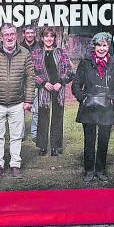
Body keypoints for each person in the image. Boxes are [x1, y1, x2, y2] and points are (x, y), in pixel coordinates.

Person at [0, 24, 33, 180]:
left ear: (16, 35)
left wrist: (28, 99)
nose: (9, 37)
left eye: (12, 34)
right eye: (6, 34)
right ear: (1, 37)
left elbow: (30, 78)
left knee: (16, 136)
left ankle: (15, 165)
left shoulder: (25, 53)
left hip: (17, 103)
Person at [71, 31, 114, 181]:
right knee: (89, 140)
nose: (102, 49)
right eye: (99, 45)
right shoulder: (85, 62)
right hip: (89, 108)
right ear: (94, 47)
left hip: (107, 109)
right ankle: (89, 171)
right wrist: (82, 98)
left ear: (109, 46)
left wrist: (113, 99)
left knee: (103, 140)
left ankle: (100, 170)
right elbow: (76, 84)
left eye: (105, 45)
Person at [31, 27, 72, 157]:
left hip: (58, 88)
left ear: (54, 38)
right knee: (43, 117)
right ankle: (42, 146)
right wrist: (43, 83)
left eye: (51, 36)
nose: (49, 39)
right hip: (44, 88)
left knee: (57, 117)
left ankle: (55, 146)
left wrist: (60, 82)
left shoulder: (61, 52)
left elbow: (68, 69)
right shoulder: (36, 53)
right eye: (46, 36)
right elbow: (31, 72)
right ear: (42, 38)